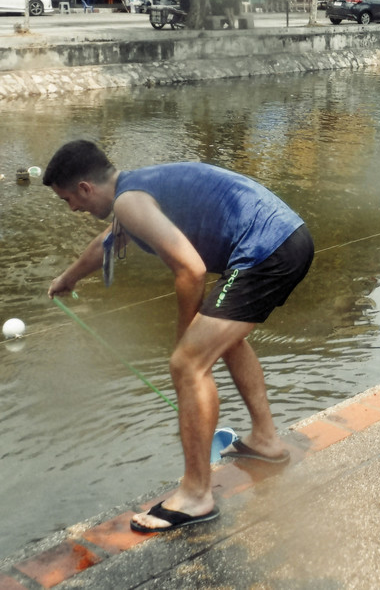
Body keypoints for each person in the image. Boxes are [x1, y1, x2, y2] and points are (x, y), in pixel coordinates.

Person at [43, 140, 314, 533]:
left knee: (188, 362)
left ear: (85, 187)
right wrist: (67, 279)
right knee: (225, 339)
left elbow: (191, 270)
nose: (72, 209)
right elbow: (107, 242)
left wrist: (185, 337)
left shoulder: (128, 202)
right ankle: (266, 440)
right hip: (285, 238)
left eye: (68, 199)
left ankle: (196, 496)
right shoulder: (134, 193)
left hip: (266, 250)